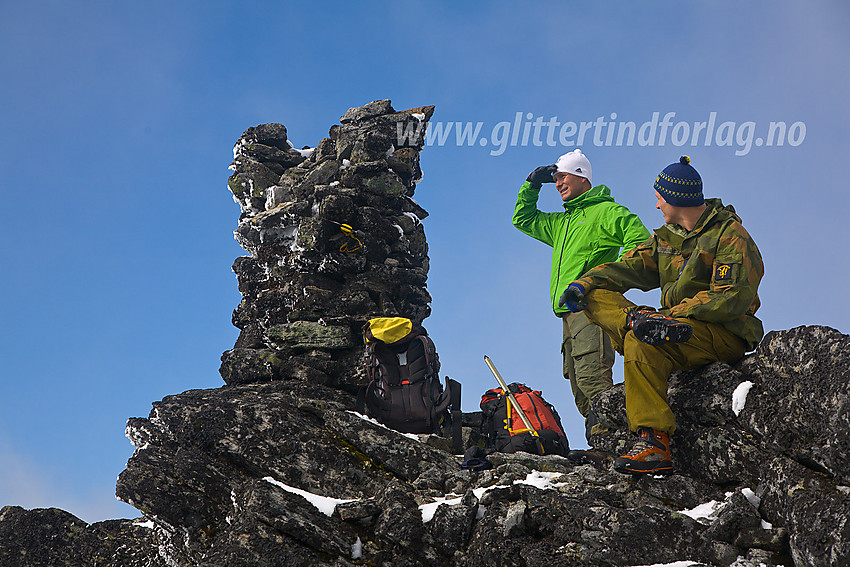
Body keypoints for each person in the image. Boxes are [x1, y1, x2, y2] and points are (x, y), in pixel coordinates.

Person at [559, 156, 764, 475]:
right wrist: (584, 283)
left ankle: (654, 445)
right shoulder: (669, 238)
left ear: (676, 199)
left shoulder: (729, 236)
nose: (656, 205)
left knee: (644, 343)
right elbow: (630, 266)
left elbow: (730, 298)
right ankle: (634, 321)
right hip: (673, 328)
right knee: (597, 298)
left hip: (721, 333)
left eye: (659, 198)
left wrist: (673, 315)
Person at [512, 149, 650, 444]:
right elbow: (523, 219)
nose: (558, 183)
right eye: (556, 178)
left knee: (593, 379)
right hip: (568, 316)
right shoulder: (561, 224)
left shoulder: (606, 212)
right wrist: (531, 184)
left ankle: (619, 442)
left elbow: (640, 242)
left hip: (592, 309)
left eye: (563, 176)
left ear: (581, 177)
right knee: (579, 387)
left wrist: (605, 283)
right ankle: (602, 445)